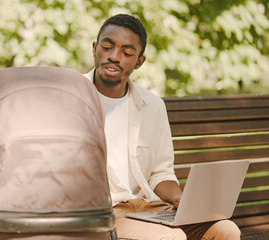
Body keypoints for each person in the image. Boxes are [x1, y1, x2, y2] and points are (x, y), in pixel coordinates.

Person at [84, 14, 241, 239]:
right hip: (102, 213)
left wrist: (180, 200)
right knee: (171, 237)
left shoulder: (153, 106)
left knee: (226, 230)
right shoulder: (72, 97)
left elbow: (161, 173)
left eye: (127, 53)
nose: (114, 56)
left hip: (148, 208)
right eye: (107, 47)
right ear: (94, 48)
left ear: (139, 61)